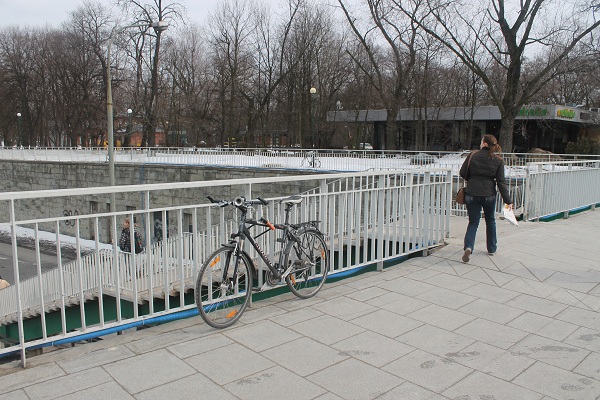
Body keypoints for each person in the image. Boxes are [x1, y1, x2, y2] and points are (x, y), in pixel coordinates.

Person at [459, 134, 513, 262]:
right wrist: (508, 201)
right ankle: (492, 248)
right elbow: (501, 182)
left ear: (484, 144)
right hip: (489, 194)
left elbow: (462, 173)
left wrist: (471, 180)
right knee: (490, 221)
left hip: (472, 193)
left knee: (473, 222)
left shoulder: (473, 155)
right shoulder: (498, 160)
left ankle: (469, 247)